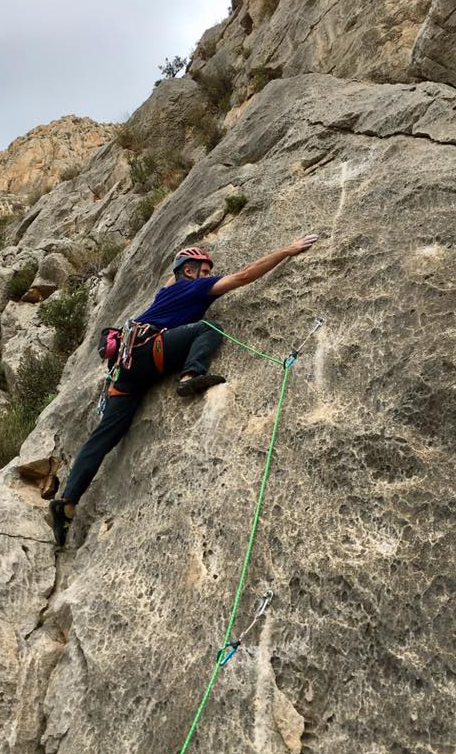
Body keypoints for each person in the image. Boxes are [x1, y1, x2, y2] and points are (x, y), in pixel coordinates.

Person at [49, 233, 318, 545]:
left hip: (125, 370)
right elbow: (245, 276)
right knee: (210, 329)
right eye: (204, 271)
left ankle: (66, 504)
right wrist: (286, 249)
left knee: (105, 435)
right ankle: (190, 377)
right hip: (151, 352)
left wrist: (184, 261)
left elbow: (171, 276)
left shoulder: (167, 291)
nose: (209, 277)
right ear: (189, 272)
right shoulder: (195, 287)